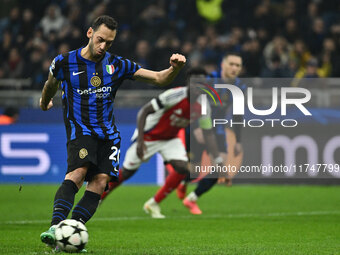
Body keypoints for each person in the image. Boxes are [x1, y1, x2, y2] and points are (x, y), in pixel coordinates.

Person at [39, 15, 186, 251]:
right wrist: (45, 102)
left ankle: (71, 233)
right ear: (89, 33)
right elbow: (50, 85)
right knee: (77, 173)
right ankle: (56, 227)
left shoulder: (117, 65)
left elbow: (159, 79)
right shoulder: (64, 62)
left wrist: (174, 69)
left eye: (108, 42)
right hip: (81, 131)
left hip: (108, 135)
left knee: (100, 182)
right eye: (100, 40)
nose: (103, 46)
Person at [100, 68, 223, 218]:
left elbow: (208, 133)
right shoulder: (175, 95)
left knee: (183, 168)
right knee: (126, 172)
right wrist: (140, 141)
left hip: (170, 139)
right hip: (148, 135)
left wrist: (217, 159)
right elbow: (144, 112)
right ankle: (101, 194)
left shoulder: (204, 106)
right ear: (188, 82)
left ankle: (153, 204)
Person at [177, 52, 245, 215]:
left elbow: (238, 115)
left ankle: (191, 199)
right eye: (231, 64)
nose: (234, 68)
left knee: (219, 169)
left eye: (238, 65)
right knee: (193, 171)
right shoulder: (209, 79)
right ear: (223, 64)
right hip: (198, 125)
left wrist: (238, 140)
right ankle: (181, 182)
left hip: (218, 129)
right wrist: (196, 127)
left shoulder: (240, 87)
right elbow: (192, 100)